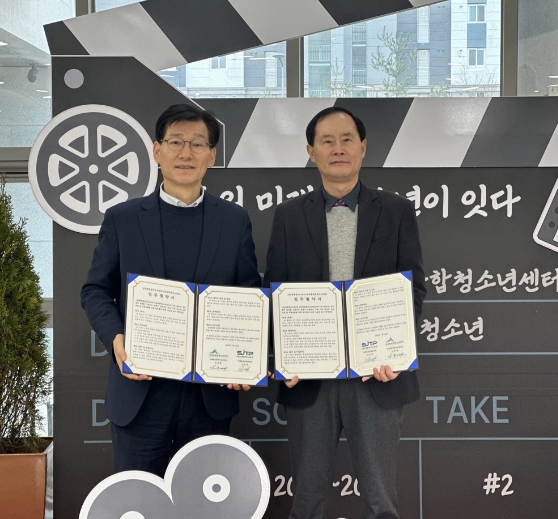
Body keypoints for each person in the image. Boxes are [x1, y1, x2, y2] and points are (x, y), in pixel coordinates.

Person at [81, 103, 261, 476]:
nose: (185, 153)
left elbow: (248, 296)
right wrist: (116, 338)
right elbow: (95, 290)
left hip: (209, 398)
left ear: (211, 156)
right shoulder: (123, 219)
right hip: (140, 397)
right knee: (140, 500)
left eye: (197, 144)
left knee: (205, 498)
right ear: (157, 150)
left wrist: (247, 356)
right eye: (176, 141)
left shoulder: (234, 221)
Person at [263, 106, 426, 519]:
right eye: (327, 141)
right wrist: (282, 357)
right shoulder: (288, 216)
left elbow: (413, 289)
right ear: (311, 151)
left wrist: (396, 351)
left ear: (363, 147)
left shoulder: (396, 211)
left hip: (377, 377)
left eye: (347, 139)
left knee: (381, 502)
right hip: (309, 379)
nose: (338, 149)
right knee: (306, 502)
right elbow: (275, 295)